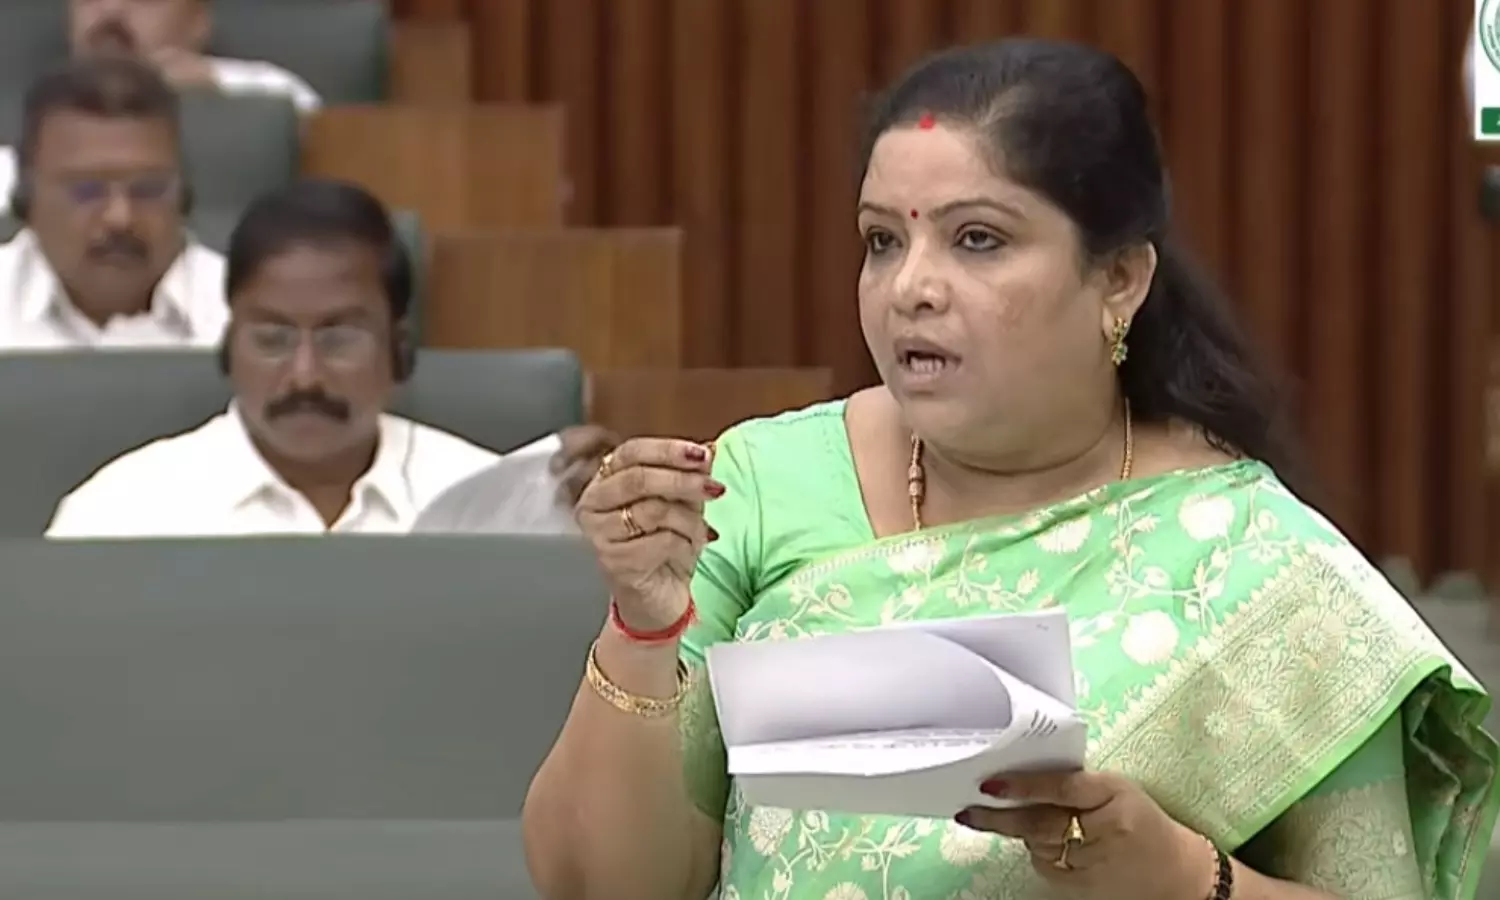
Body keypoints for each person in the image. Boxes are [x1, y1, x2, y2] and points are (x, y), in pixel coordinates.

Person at [522, 40, 1499, 900]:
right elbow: (601, 887)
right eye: (882, 241)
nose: (911, 287)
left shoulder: (1261, 566)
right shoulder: (761, 483)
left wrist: (1181, 879)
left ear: (1119, 279)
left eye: (977, 240)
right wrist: (641, 629)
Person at [46, 179, 615, 537]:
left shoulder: (494, 515)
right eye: (272, 339)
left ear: (398, 350)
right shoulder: (118, 515)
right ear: (228, 346)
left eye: (339, 338)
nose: (305, 375)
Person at [0, 57, 226, 350]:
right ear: (26, 200)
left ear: (183, 198)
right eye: (87, 191)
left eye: (149, 189)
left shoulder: (243, 310)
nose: (120, 217)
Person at [70, 0, 321, 113]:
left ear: (199, 22)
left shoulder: (259, 88)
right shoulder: (46, 97)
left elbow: (307, 118)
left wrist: (213, 87)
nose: (111, 8)